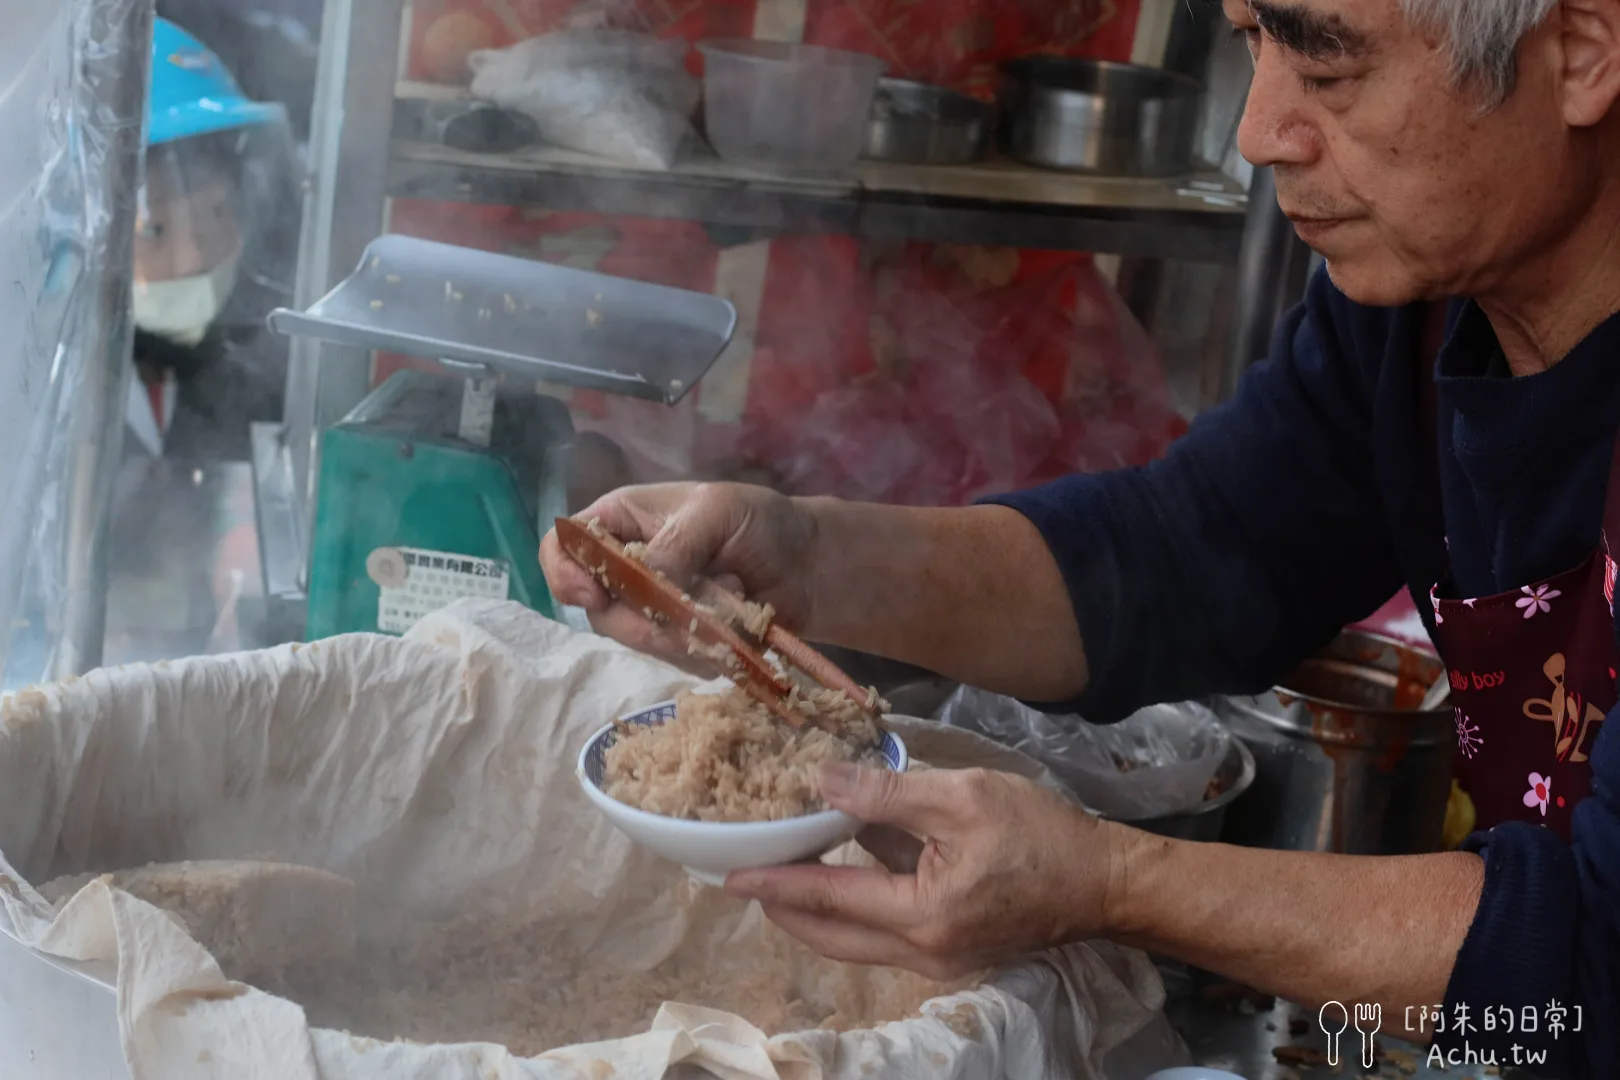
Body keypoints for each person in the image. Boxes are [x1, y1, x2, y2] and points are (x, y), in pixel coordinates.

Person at [542, 0, 1620, 1074]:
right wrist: (803, 557)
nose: (1257, 134)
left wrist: (1106, 882)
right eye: (1253, 42)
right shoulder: (1416, 303)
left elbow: (1600, 958)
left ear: (1581, 51)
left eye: (1329, 69)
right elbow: (1190, 556)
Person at [130, 17, 301, 462]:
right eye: (154, 229)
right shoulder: (32, 398)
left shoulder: (260, 386)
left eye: (215, 213)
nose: (193, 259)